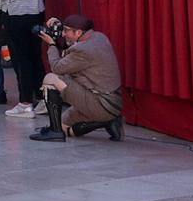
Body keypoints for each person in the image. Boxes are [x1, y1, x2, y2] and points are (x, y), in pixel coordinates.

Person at [30, 14, 124, 142]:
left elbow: (57, 68)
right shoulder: (99, 37)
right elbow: (70, 51)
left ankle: (55, 132)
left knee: (51, 78)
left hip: (100, 103)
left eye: (66, 31)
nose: (63, 34)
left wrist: (51, 44)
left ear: (78, 32)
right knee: (64, 126)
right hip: (110, 102)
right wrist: (58, 25)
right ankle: (106, 122)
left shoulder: (83, 50)